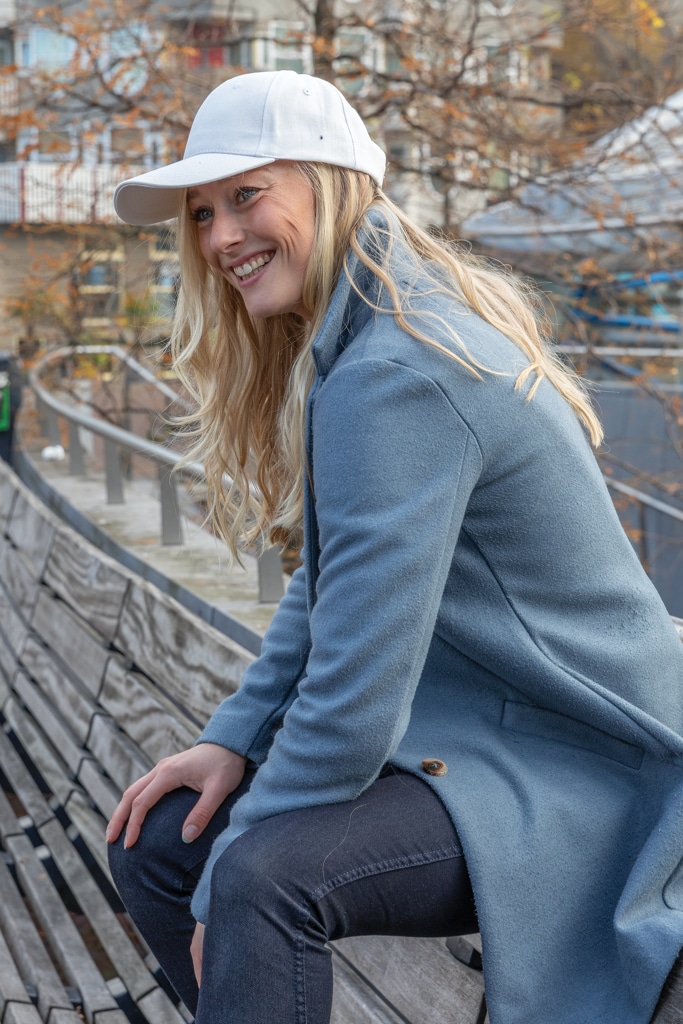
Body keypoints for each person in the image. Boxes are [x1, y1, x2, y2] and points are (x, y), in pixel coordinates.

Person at [106, 70, 683, 1024]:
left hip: (594, 767)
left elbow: (354, 699)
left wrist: (223, 885)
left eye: (247, 195)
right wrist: (230, 738)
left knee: (255, 878)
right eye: (203, 214)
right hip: (496, 738)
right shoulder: (376, 328)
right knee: (159, 842)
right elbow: (330, 584)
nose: (220, 238)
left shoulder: (398, 371)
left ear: (331, 184)